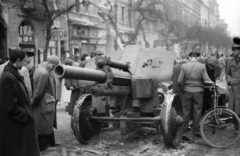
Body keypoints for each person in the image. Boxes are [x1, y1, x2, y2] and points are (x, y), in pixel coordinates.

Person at [0, 49, 40, 156]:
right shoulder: (9, 77)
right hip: (17, 126)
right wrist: (26, 114)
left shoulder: (12, 74)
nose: (24, 64)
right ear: (18, 60)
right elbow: (10, 107)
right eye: (23, 61)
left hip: (18, 125)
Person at [178, 51, 212, 142]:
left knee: (186, 112)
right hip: (198, 92)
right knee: (197, 112)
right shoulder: (202, 66)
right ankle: (196, 131)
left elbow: (179, 81)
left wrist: (183, 89)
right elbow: (207, 80)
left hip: (187, 91)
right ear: (197, 57)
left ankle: (183, 130)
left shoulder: (184, 66)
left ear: (190, 57)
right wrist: (213, 85)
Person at [32, 55, 60, 151]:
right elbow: (39, 92)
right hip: (44, 104)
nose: (54, 68)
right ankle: (44, 146)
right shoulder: (44, 73)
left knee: (46, 124)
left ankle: (49, 143)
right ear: (49, 62)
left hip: (45, 103)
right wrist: (33, 103)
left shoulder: (41, 69)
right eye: (54, 66)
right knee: (43, 125)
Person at [226, 37, 240, 135]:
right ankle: (236, 128)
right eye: (232, 49)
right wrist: (230, 81)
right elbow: (227, 73)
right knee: (234, 109)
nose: (233, 51)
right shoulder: (230, 61)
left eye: (235, 49)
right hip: (233, 89)